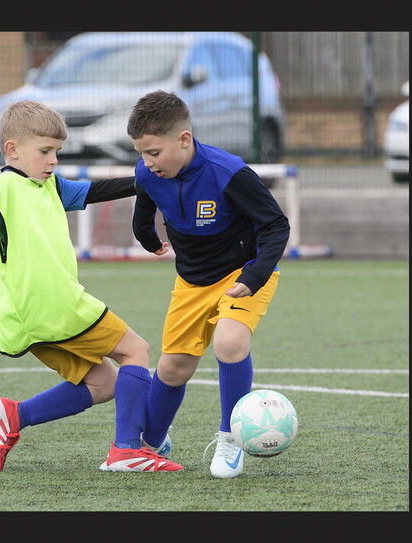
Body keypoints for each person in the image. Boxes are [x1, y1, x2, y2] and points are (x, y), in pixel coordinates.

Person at [0, 99, 182, 473]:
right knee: (136, 350)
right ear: (12, 150)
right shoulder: (3, 187)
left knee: (103, 384)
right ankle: (128, 450)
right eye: (45, 151)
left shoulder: (50, 187)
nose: (53, 161)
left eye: (57, 152)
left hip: (30, 317)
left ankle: (14, 416)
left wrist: (147, 178)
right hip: (54, 305)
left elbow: (97, 190)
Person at [127, 90, 290, 478]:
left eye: (154, 152)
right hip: (191, 280)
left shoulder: (228, 172)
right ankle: (152, 443)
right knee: (172, 369)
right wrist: (147, 238)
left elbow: (276, 224)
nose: (147, 163)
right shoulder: (147, 172)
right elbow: (145, 209)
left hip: (242, 274)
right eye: (142, 154)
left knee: (230, 341)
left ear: (184, 140)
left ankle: (230, 438)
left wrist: (255, 276)